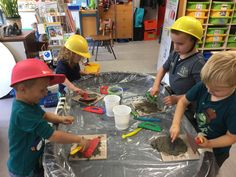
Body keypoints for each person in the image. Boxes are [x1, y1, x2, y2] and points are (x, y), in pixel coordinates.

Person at [8, 59, 89, 177]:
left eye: (47, 88)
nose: (46, 93)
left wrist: (60, 119)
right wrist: (79, 139)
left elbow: (44, 115)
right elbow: (53, 135)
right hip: (23, 169)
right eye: (42, 90)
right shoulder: (22, 112)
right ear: (22, 89)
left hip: (34, 160)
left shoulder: (29, 102)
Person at [169, 51, 236, 167]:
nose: (209, 91)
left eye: (216, 90)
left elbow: (231, 137)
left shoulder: (233, 107)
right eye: (207, 86)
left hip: (217, 149)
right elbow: (183, 102)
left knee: (209, 170)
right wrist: (175, 124)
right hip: (197, 135)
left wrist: (209, 143)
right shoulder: (206, 85)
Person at [150, 16, 206, 106]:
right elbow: (163, 68)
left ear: (194, 41)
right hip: (174, 96)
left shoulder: (198, 63)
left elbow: (201, 91)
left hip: (189, 105)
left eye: (180, 43)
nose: (175, 47)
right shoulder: (176, 53)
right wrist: (156, 85)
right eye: (174, 42)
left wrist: (178, 99)